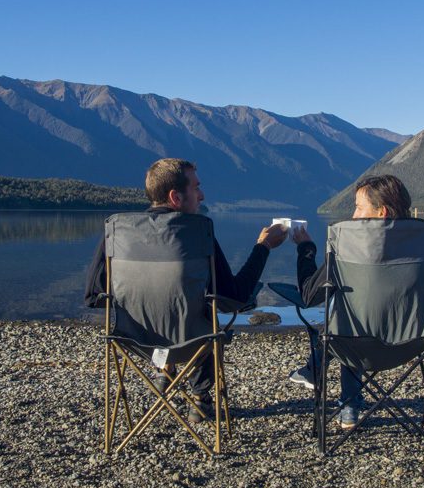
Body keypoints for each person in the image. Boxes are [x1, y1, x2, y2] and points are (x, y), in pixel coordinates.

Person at [85, 158, 288, 423]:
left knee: (176, 301)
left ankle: (164, 370)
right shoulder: (196, 234)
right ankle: (200, 401)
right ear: (175, 197)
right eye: (196, 188)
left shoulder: (117, 232)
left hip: (134, 341)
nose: (202, 196)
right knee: (203, 309)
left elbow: (93, 294)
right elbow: (235, 296)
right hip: (190, 343)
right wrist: (263, 247)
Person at [289, 174, 413, 429]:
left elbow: (310, 295)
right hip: (409, 342)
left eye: (358, 207)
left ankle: (322, 375)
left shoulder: (348, 245)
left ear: (382, 212)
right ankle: (348, 404)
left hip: (355, 344)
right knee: (354, 310)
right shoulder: (422, 245)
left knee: (347, 315)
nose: (354, 216)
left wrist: (306, 249)